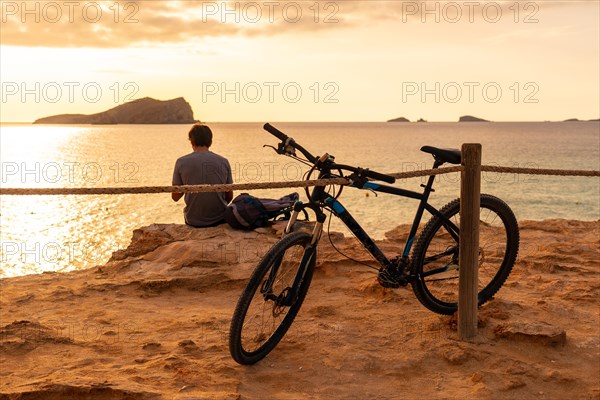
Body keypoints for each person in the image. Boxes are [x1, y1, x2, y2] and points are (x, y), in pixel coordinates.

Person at [172, 123, 233, 227]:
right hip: (219, 219)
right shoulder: (224, 161)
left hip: (194, 220)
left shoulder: (181, 162)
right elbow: (229, 196)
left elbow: (175, 197)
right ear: (210, 141)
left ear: (191, 140)